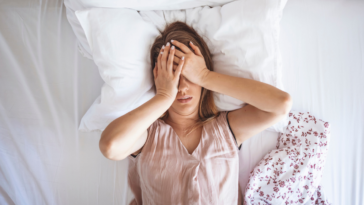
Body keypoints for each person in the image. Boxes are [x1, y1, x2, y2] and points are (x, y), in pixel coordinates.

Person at [99, 21, 292, 205]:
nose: (182, 87)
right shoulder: (148, 137)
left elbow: (280, 104)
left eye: (189, 76)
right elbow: (110, 146)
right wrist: (164, 96)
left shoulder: (225, 130)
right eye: (173, 77)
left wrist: (205, 76)